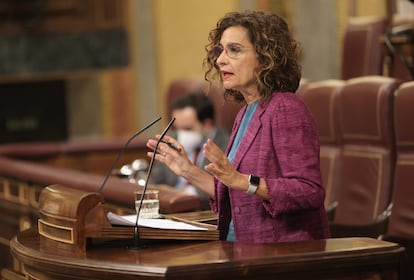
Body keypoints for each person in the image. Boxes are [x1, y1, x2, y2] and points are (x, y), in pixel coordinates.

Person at [147, 10, 330, 243]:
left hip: (281, 253)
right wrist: (187, 170)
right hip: (241, 247)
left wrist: (243, 180)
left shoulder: (286, 107)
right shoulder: (245, 112)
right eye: (220, 50)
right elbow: (232, 192)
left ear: (266, 58)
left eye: (234, 50)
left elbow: (309, 191)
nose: (220, 59)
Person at [150, 92, 230, 210]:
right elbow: (155, 181)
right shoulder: (172, 139)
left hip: (204, 211)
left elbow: (220, 189)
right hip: (171, 208)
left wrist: (179, 193)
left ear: (207, 124)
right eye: (177, 128)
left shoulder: (226, 143)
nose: (181, 134)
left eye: (187, 128)